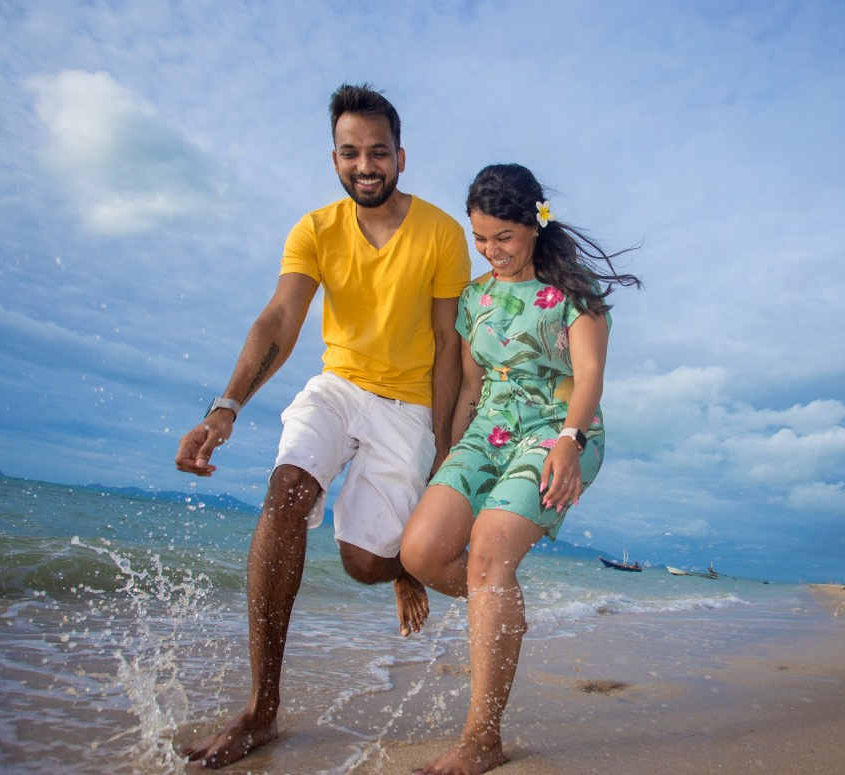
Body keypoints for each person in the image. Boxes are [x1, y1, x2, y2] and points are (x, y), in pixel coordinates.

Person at [173, 83, 471, 769]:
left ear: (401, 155)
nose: (364, 165)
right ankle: (261, 709)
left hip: (409, 408)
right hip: (337, 387)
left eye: (377, 152)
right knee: (285, 493)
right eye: (349, 153)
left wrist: (445, 454)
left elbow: (449, 343)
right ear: (333, 157)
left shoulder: (441, 233)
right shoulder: (314, 228)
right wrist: (226, 406)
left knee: (364, 562)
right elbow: (280, 319)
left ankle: (401, 565)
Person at [400, 163, 640, 775]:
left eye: (502, 237)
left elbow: (589, 376)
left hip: (558, 431)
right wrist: (447, 458)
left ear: (534, 224)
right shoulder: (476, 298)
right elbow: (471, 387)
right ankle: (501, 607)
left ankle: (482, 737)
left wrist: (569, 438)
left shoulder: (575, 292)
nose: (490, 250)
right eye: (480, 237)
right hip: (488, 433)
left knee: (488, 554)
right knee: (421, 553)